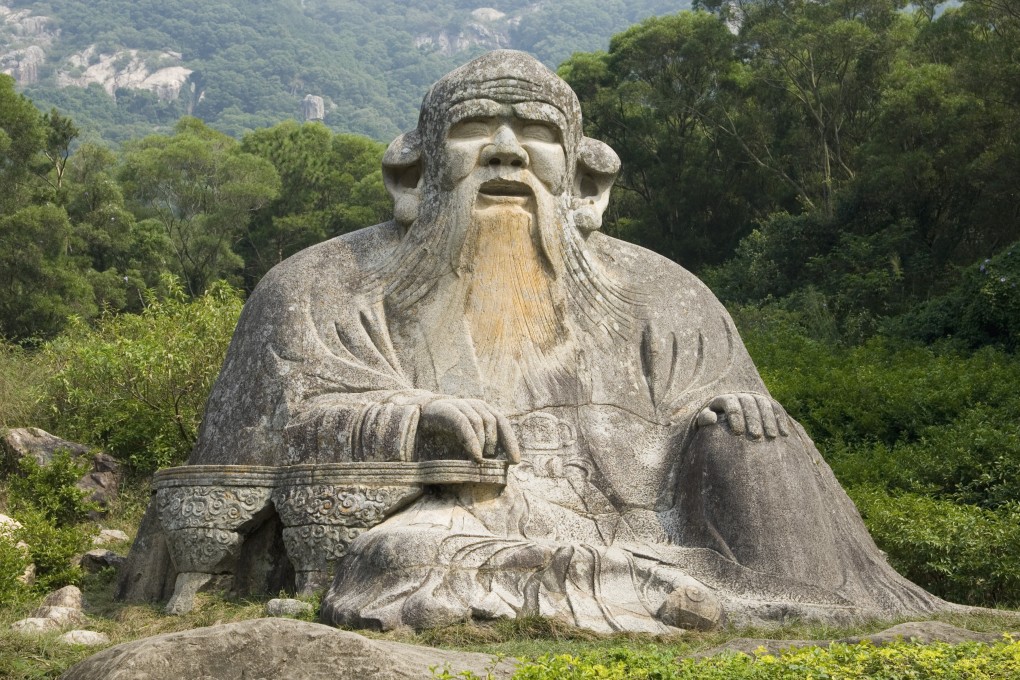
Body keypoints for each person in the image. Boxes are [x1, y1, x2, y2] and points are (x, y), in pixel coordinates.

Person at [131, 51, 953, 631]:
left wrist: (737, 412)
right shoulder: (320, 284)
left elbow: (714, 410)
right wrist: (418, 420)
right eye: (474, 128)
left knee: (763, 448)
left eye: (536, 132)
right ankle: (649, 596)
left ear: (583, 180)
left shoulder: (662, 292)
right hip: (446, 520)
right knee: (406, 553)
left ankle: (745, 596)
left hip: (642, 530)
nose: (505, 151)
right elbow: (265, 439)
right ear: (414, 173)